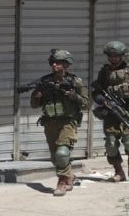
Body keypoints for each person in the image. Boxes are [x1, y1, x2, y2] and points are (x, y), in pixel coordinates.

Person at [30, 49, 88, 196]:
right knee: (55, 157)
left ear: (66, 64)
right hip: (50, 123)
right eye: (53, 62)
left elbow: (86, 104)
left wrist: (74, 96)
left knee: (62, 153)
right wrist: (37, 96)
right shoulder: (44, 82)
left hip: (68, 122)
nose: (54, 65)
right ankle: (69, 176)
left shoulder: (75, 82)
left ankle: (61, 183)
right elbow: (34, 105)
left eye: (58, 62)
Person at [91, 41, 129, 182]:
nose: (113, 58)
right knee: (111, 144)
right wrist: (102, 100)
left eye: (116, 56)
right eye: (110, 56)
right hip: (111, 113)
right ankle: (119, 172)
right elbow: (96, 92)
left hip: (126, 112)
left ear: (122, 56)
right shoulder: (104, 72)